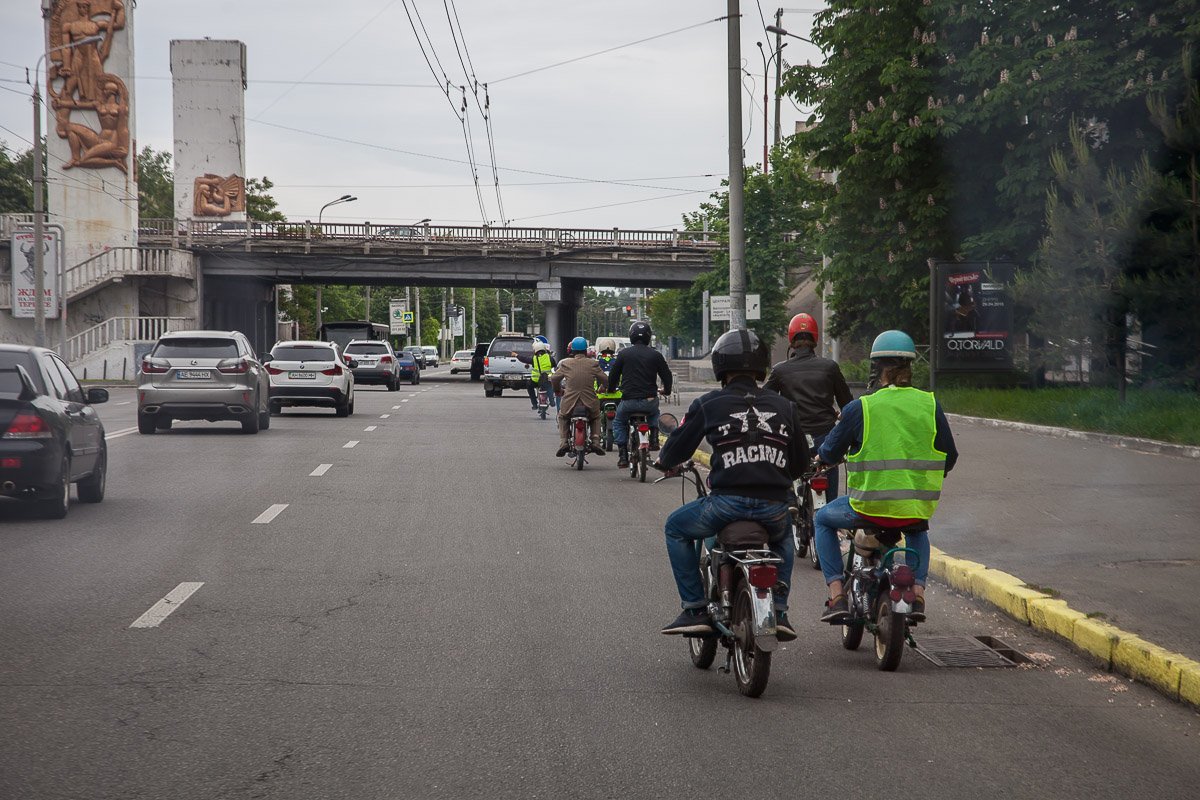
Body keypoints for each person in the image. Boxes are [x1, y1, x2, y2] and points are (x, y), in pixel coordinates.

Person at [654, 329, 808, 639]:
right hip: (774, 507)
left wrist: (666, 461)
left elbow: (673, 452)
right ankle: (779, 610)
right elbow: (800, 463)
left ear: (720, 366)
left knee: (675, 527)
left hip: (726, 504)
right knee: (783, 539)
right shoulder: (785, 407)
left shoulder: (709, 403)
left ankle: (694, 608)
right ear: (762, 365)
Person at [812, 330, 958, 624]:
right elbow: (949, 456)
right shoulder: (930, 405)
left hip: (867, 508)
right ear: (910, 366)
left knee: (822, 519)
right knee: (918, 530)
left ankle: (837, 596)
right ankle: (918, 594)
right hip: (913, 508)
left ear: (877, 368)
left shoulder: (861, 407)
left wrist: (819, 459)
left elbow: (829, 451)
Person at [764, 313, 852, 503]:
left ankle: (791, 505)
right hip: (825, 438)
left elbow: (764, 402)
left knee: (785, 482)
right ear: (815, 338)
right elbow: (848, 405)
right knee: (829, 499)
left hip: (794, 438)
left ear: (791, 339)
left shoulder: (780, 370)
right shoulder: (830, 367)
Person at [607, 321, 672, 468]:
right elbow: (667, 376)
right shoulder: (656, 355)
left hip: (628, 402)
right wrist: (667, 390)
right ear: (648, 336)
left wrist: (611, 389)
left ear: (631, 336)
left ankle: (623, 456)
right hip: (649, 401)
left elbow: (613, 376)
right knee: (654, 414)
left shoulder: (623, 354)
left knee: (618, 422)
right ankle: (654, 439)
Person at [549, 336, 608, 458]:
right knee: (596, 417)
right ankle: (596, 441)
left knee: (562, 417)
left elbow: (554, 378)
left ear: (572, 351)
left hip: (569, 402)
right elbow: (605, 380)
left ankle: (564, 442)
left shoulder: (566, 363)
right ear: (586, 351)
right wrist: (602, 388)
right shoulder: (593, 364)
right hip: (590, 401)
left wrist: (558, 390)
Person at [529, 340, 556, 411]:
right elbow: (555, 366)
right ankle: (552, 400)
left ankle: (534, 404)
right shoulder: (550, 358)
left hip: (536, 380)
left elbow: (526, 360)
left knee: (529, 386)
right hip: (547, 379)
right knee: (550, 386)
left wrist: (517, 355)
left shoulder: (534, 358)